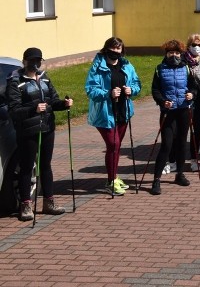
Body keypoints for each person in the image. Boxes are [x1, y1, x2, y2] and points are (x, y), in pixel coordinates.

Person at [6, 48, 73, 220]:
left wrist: (64, 104)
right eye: (32, 61)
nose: (35, 64)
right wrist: (33, 109)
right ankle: (26, 205)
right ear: (25, 61)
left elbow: (53, 100)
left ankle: (49, 202)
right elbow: (14, 109)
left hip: (47, 128)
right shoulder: (16, 81)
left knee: (46, 165)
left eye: (38, 60)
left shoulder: (45, 78)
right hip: (28, 130)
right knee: (27, 167)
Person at [85, 37, 142, 195]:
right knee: (113, 145)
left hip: (123, 111)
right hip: (105, 113)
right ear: (106, 49)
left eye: (118, 49)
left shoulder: (126, 65)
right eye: (113, 48)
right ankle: (111, 181)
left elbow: (137, 83)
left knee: (116, 147)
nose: (115, 52)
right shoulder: (98, 66)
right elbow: (90, 90)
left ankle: (114, 178)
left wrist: (131, 90)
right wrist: (108, 93)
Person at [150, 40, 197, 195]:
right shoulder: (159, 69)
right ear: (166, 53)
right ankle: (156, 180)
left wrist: (192, 94)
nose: (174, 55)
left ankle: (180, 174)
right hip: (168, 112)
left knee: (182, 144)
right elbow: (155, 90)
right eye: (171, 53)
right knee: (167, 145)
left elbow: (193, 86)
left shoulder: (186, 68)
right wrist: (163, 101)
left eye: (177, 53)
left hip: (183, 110)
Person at [184, 33, 200, 172]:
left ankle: (194, 160)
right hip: (185, 99)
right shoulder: (183, 60)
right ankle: (175, 160)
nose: (197, 47)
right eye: (194, 45)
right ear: (189, 46)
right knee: (181, 132)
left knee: (196, 131)